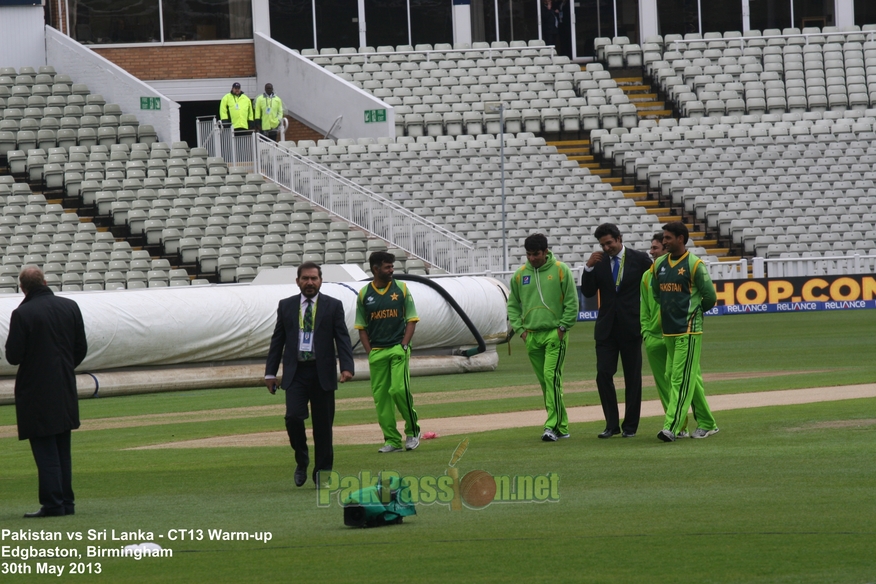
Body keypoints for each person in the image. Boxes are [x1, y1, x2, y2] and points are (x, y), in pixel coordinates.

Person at [5, 266, 87, 518]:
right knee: (62, 447)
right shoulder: (70, 306)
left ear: (23, 288)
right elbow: (80, 348)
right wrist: (62, 367)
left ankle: (53, 504)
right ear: (45, 281)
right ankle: (66, 501)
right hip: (64, 384)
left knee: (45, 448)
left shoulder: (22, 313)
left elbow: (13, 356)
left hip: (36, 389)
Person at [265, 262, 355, 487]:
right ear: (297, 281)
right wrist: (270, 373)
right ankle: (302, 457)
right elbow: (278, 340)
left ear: (320, 280)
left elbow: (342, 338)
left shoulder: (333, 306)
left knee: (323, 427)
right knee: (293, 418)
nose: (309, 282)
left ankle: (322, 471)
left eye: (314, 278)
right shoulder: (286, 306)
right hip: (296, 373)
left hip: (322, 372)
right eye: (305, 278)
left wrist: (347, 366)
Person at [650, 221, 719, 442]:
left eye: (668, 237)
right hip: (669, 331)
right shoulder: (659, 264)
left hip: (689, 331)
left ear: (681, 238)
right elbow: (657, 294)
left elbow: (710, 297)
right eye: (664, 237)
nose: (664, 241)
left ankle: (672, 426)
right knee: (678, 376)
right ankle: (707, 423)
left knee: (679, 378)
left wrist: (693, 314)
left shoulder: (695, 264)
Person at [581, 223, 652, 439]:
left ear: (619, 238)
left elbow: (654, 284)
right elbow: (588, 291)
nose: (606, 248)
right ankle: (611, 425)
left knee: (633, 378)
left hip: (631, 327)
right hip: (606, 329)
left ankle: (630, 426)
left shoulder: (639, 259)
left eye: (609, 243)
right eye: (602, 244)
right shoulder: (599, 262)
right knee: (603, 374)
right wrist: (588, 268)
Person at [507, 233, 579, 442]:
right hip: (531, 336)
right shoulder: (520, 275)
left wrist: (563, 327)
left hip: (554, 334)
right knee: (546, 382)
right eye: (528, 254)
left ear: (545, 252)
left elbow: (572, 302)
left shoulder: (560, 270)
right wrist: (520, 330)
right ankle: (562, 426)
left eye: (536, 254)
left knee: (551, 377)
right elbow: (512, 305)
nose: (532, 258)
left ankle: (552, 426)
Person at [355, 251, 421, 453]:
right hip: (377, 352)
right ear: (375, 269)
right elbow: (361, 326)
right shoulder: (364, 294)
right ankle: (392, 440)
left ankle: (412, 431)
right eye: (387, 267)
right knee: (382, 398)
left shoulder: (401, 288)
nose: (392, 270)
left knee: (398, 390)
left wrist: (403, 345)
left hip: (397, 348)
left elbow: (411, 319)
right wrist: (370, 352)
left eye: (392, 267)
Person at [640, 233, 689, 437]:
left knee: (680, 380)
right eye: (651, 248)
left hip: (676, 334)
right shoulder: (646, 276)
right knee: (663, 385)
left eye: (656, 248)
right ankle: (679, 426)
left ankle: (688, 424)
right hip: (653, 337)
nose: (651, 252)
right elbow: (644, 306)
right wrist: (645, 331)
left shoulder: (678, 271)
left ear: (666, 250)